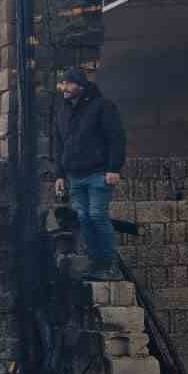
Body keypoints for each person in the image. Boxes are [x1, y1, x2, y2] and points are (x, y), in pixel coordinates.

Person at [52, 67, 127, 282]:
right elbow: (59, 146)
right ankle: (96, 263)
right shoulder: (62, 112)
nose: (63, 88)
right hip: (75, 175)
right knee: (83, 219)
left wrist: (114, 168)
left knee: (96, 215)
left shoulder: (102, 107)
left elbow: (116, 138)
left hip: (98, 173)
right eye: (62, 83)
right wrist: (59, 175)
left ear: (81, 86)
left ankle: (109, 263)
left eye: (68, 83)